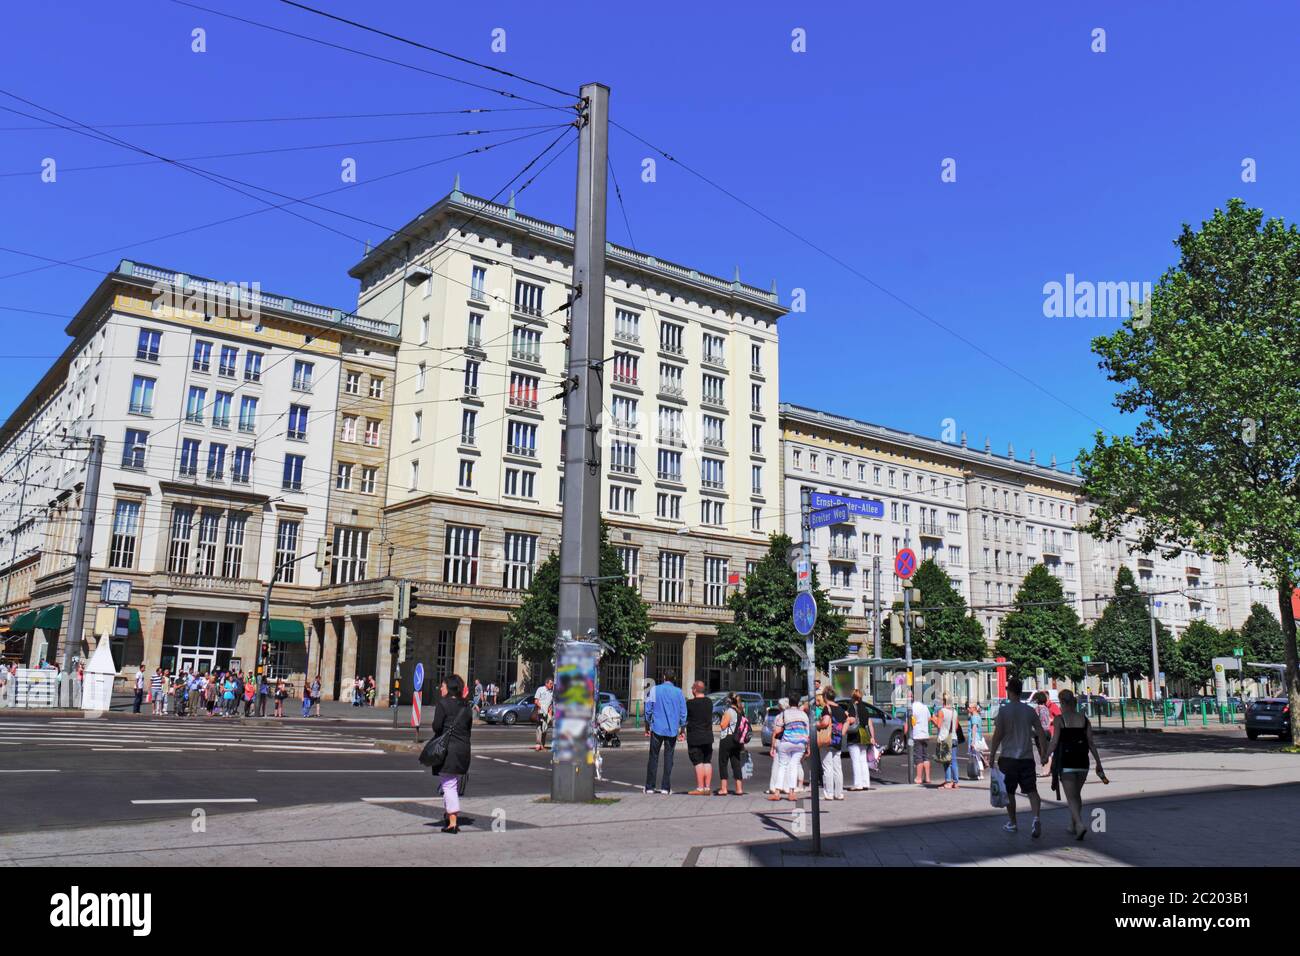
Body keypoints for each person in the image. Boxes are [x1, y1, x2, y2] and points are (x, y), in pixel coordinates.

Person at [987, 676, 1050, 837]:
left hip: (1008, 758)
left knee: (1010, 792)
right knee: (1032, 791)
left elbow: (997, 735)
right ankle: (1036, 818)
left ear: (1009, 691)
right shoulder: (1029, 711)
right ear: (1021, 691)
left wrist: (992, 754)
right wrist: (1044, 753)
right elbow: (1041, 733)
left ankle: (1013, 823)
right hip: (1027, 758)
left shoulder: (1004, 711)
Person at [1042, 688, 1105, 840]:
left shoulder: (1059, 720)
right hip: (1083, 762)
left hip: (1067, 762)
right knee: (1076, 795)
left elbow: (1054, 742)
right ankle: (1072, 825)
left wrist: (1045, 756)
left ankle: (1080, 824)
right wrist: (1098, 763)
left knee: (1071, 797)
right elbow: (1091, 743)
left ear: (1062, 702)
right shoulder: (1084, 719)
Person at [430, 674, 473, 833]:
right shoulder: (466, 706)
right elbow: (468, 729)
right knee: (451, 783)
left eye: (442, 685)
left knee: (448, 785)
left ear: (449, 687)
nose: (441, 688)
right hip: (463, 749)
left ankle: (453, 822)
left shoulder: (443, 704)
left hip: (448, 750)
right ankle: (449, 815)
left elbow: (436, 726)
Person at [643, 670, 686, 794]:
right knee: (669, 758)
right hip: (672, 729)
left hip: (657, 728)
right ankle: (665, 787)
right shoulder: (679, 692)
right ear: (675, 678)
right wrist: (682, 730)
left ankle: (650, 786)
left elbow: (648, 710)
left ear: (664, 677)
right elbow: (683, 713)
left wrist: (647, 727)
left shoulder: (654, 689)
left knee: (653, 758)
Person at [768, 696, 810, 802]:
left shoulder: (784, 713)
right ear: (798, 703)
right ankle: (792, 793)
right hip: (800, 743)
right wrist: (808, 748)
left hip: (786, 742)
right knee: (794, 766)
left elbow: (777, 730)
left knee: (782, 766)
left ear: (790, 703)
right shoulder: (804, 715)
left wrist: (773, 746)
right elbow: (808, 733)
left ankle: (777, 792)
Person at [816, 689, 849, 801]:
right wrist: (842, 733)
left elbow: (825, 722)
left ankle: (828, 794)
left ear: (825, 696)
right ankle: (839, 793)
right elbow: (847, 721)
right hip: (837, 740)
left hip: (827, 740)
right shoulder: (840, 708)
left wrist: (817, 724)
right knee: (837, 768)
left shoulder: (827, 708)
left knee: (827, 768)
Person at [684, 681, 714, 795]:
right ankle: (707, 788)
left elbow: (686, 718)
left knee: (698, 761)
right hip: (708, 736)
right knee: (707, 761)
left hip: (695, 736)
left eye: (692, 688)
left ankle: (700, 788)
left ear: (695, 690)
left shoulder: (690, 704)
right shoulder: (709, 702)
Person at [846, 688, 878, 791]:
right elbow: (870, 724)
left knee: (856, 761)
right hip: (864, 735)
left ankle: (858, 784)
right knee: (863, 760)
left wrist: (846, 716)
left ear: (853, 697)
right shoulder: (864, 708)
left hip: (854, 736)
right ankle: (866, 783)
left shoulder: (851, 707)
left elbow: (851, 720)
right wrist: (872, 737)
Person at [716, 691, 746, 796]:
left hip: (727, 739)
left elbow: (723, 726)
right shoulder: (740, 711)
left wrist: (723, 716)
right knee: (736, 763)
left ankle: (724, 789)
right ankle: (739, 788)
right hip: (738, 740)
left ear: (729, 701)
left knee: (723, 762)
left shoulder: (729, 711)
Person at [931, 693, 960, 790]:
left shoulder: (941, 711)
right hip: (954, 737)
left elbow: (939, 725)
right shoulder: (954, 711)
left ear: (943, 701)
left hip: (944, 738)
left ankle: (948, 781)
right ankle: (955, 782)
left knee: (946, 761)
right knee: (954, 760)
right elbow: (956, 726)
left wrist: (932, 719)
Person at [911, 694, 933, 785]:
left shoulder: (912, 707)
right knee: (925, 756)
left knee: (918, 757)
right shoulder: (925, 707)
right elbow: (929, 718)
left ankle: (919, 777)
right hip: (925, 734)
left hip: (917, 734)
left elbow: (909, 721)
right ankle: (927, 777)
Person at [1032, 691, 1054, 774]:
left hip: (1039, 732)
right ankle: (1046, 770)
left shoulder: (1037, 709)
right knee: (1047, 751)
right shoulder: (1046, 708)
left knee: (1042, 752)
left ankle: (1045, 771)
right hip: (1047, 731)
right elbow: (1048, 720)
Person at [533, 678, 554, 752]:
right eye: (550, 684)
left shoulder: (551, 692)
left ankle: (542, 745)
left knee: (545, 729)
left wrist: (550, 713)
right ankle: (538, 745)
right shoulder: (540, 689)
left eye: (552, 684)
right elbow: (536, 701)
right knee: (539, 728)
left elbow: (551, 704)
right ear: (546, 683)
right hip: (540, 712)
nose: (552, 685)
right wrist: (541, 708)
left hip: (547, 713)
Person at [967, 702, 987, 780]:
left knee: (976, 756)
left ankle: (979, 773)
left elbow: (974, 729)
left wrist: (972, 741)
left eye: (969, 707)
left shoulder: (974, 717)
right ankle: (979, 773)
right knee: (977, 755)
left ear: (974, 708)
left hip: (974, 738)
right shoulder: (977, 716)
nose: (968, 708)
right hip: (978, 737)